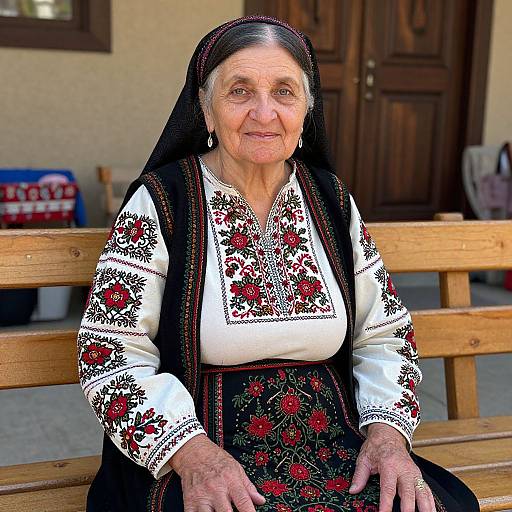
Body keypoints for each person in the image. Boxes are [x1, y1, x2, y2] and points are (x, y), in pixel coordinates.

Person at [78, 15, 480, 512]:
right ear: (204, 110)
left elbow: (385, 335)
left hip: (338, 441)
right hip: (201, 446)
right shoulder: (163, 201)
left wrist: (386, 437)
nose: (263, 113)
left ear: (306, 112)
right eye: (239, 91)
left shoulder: (330, 200)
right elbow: (110, 353)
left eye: (284, 92)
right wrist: (192, 454)